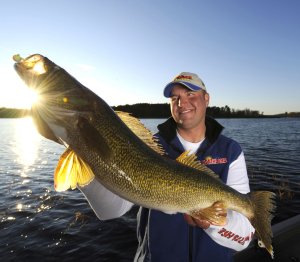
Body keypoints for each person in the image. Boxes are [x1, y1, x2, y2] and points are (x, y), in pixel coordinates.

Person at [79, 72, 255, 262]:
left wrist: (213, 223)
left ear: (206, 98)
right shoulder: (147, 147)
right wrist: (84, 157)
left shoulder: (231, 151)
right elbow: (110, 211)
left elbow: (244, 239)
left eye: (190, 94)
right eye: (175, 98)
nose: (182, 103)